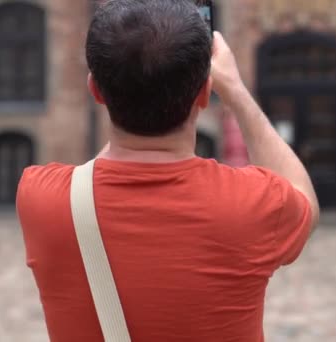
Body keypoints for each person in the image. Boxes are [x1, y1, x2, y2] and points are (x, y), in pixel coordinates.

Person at [16, 0, 319, 341]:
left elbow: (98, 169)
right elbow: (302, 196)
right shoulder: (251, 204)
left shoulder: (40, 197)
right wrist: (235, 90)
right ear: (204, 92)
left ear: (95, 90)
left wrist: (128, 92)